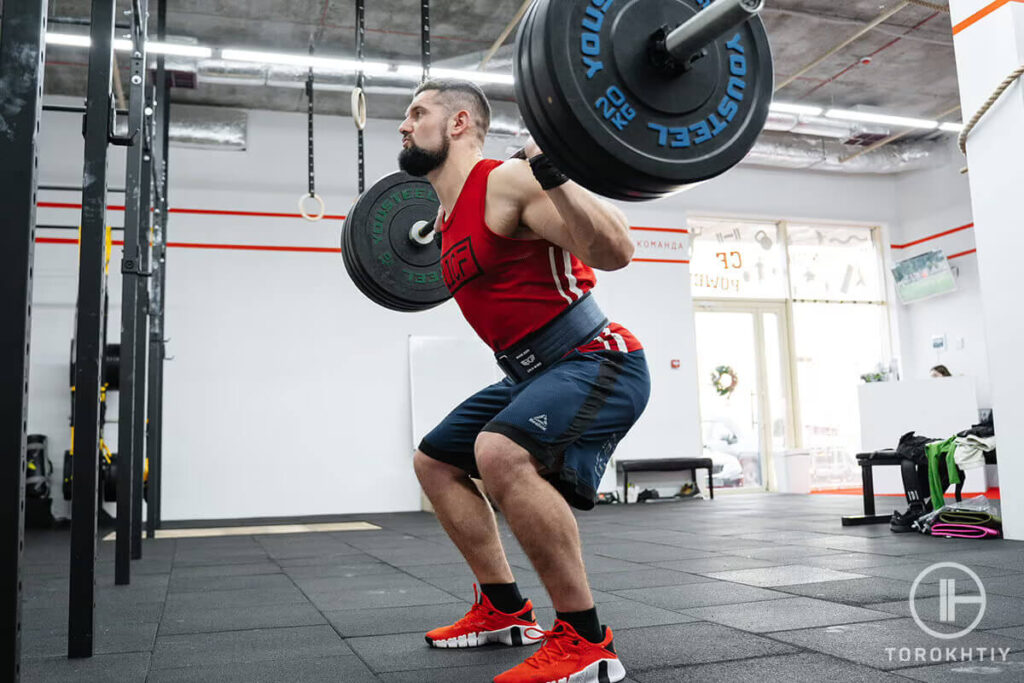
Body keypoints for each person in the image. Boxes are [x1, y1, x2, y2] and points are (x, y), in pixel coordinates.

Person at [398, 79, 650, 683]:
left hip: (599, 358)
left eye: (416, 114)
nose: (403, 127)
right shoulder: (443, 215)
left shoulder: (504, 181)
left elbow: (618, 250)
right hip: (530, 372)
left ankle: (587, 641)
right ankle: (504, 610)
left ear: (459, 123)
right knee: (434, 460)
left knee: (499, 451)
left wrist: (553, 171)